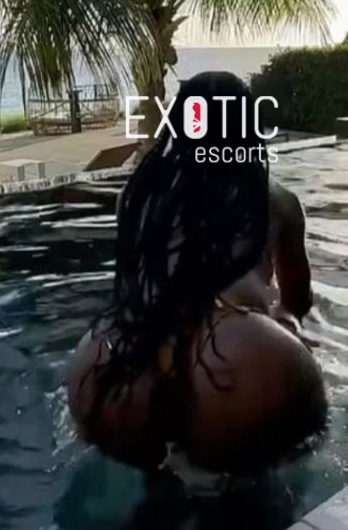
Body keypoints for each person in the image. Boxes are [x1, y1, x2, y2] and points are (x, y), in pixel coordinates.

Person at [66, 72, 326, 477]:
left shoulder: (135, 196)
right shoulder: (276, 199)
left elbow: (132, 283)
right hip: (236, 354)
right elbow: (298, 301)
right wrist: (286, 324)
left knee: (152, 489)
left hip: (120, 356)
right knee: (260, 493)